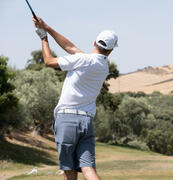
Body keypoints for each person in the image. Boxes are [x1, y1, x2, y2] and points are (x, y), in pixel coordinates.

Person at [33, 16, 118, 180]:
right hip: (86, 123)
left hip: (67, 120)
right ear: (111, 50)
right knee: (88, 169)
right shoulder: (102, 66)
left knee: (69, 172)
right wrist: (47, 28)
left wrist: (43, 37)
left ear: (94, 42)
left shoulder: (83, 60)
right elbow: (70, 47)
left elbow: (49, 61)